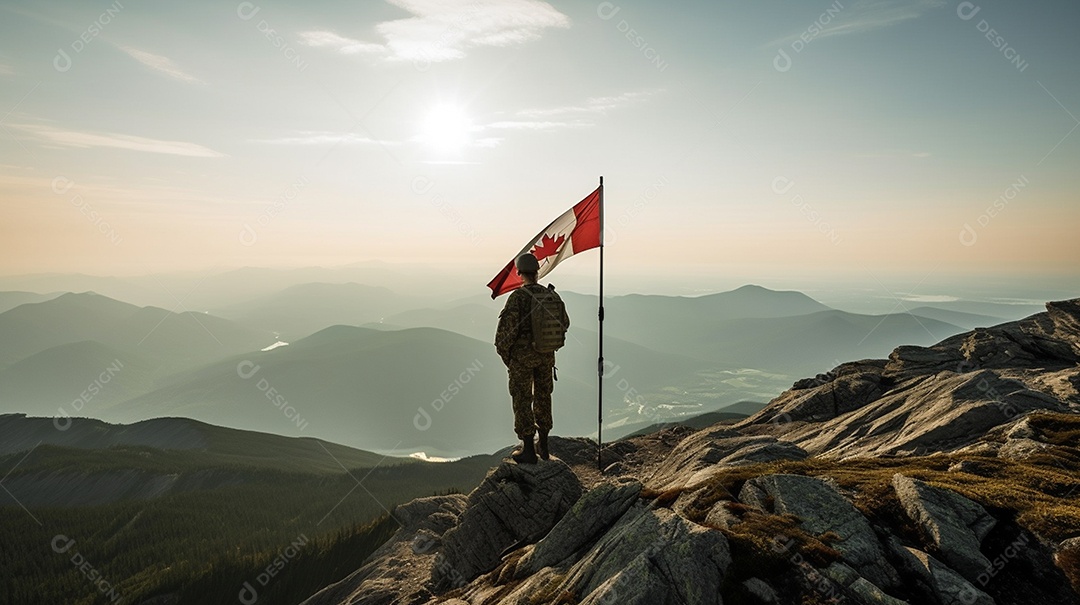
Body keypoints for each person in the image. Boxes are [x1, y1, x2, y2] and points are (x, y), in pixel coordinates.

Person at [494, 253, 569, 464]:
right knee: (544, 396)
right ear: (537, 272)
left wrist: (508, 358)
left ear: (519, 274)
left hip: (522, 360)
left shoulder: (518, 297)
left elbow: (504, 336)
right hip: (546, 356)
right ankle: (543, 445)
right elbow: (564, 323)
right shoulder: (550, 295)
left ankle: (528, 448)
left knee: (522, 398)